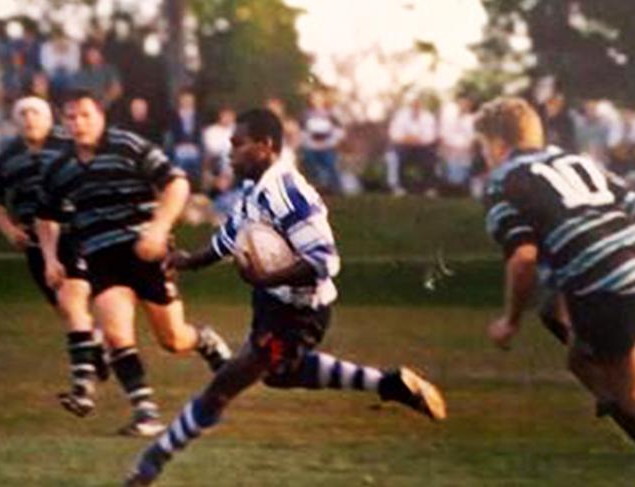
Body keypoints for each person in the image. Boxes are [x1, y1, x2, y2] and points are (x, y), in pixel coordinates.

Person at [124, 108, 447, 486]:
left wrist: (269, 274)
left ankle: (151, 463)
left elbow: (325, 259)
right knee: (281, 375)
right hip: (272, 302)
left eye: (238, 144)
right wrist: (190, 261)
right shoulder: (254, 188)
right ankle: (391, 384)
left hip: (298, 314)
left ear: (266, 146)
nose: (230, 153)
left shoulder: (286, 192)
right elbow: (233, 233)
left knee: (224, 385)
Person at [37, 89, 232, 436]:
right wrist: (50, 257)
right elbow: (46, 215)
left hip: (145, 251)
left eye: (85, 115)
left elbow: (176, 183)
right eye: (71, 117)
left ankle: (204, 340)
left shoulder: (128, 145)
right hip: (101, 256)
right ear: (63, 122)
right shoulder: (59, 166)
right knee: (114, 333)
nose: (78, 123)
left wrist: (158, 228)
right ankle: (146, 413)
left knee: (172, 339)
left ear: (101, 116)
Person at [478, 97, 635, 440]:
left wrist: (510, 322)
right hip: (622, 265)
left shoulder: (503, 183)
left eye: (483, 146)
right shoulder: (578, 161)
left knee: (626, 392)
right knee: (580, 361)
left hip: (605, 287)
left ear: (496, 144)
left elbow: (523, 259)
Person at [0, 96, 109, 415]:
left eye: (35, 112)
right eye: (23, 113)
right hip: (35, 244)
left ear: (49, 117)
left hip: (74, 234)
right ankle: (96, 344)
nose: (29, 118)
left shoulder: (69, 148)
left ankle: (82, 387)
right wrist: (8, 229)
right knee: (69, 312)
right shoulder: (6, 158)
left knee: (73, 303)